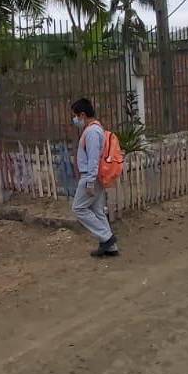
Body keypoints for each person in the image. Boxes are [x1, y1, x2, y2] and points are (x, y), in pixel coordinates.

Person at [71, 98, 119, 257]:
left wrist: (90, 182)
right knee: (97, 210)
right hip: (94, 176)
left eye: (76, 116)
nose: (75, 119)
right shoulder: (96, 129)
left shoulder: (92, 132)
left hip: (90, 176)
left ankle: (107, 238)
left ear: (82, 115)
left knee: (78, 208)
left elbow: (93, 159)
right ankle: (111, 248)